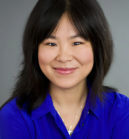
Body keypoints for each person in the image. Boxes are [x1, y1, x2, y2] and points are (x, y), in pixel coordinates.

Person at [0, 0, 129, 138]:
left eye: (77, 42)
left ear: (98, 47)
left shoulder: (121, 112)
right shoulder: (14, 117)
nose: (63, 57)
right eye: (51, 43)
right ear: (34, 49)